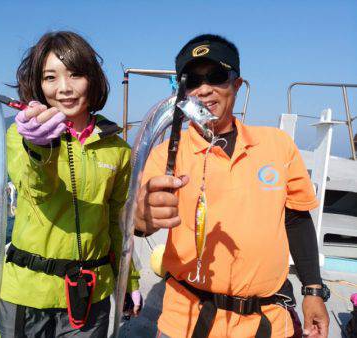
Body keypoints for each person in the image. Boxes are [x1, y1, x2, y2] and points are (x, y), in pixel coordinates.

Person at [134, 34, 330, 337]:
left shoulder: (277, 145)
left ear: (236, 85)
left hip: (267, 320)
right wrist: (141, 218)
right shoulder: (167, 154)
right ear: (183, 93)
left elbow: (297, 218)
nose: (204, 89)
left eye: (216, 76)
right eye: (193, 81)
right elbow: (141, 223)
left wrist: (313, 290)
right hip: (185, 318)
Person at [0, 31, 141, 338]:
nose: (64, 88)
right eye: (50, 77)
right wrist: (39, 147)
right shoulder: (20, 135)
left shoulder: (118, 150)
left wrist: (128, 281)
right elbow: (36, 189)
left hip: (91, 294)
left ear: (93, 79)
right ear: (38, 83)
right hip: (28, 292)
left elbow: (119, 222)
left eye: (75, 74)